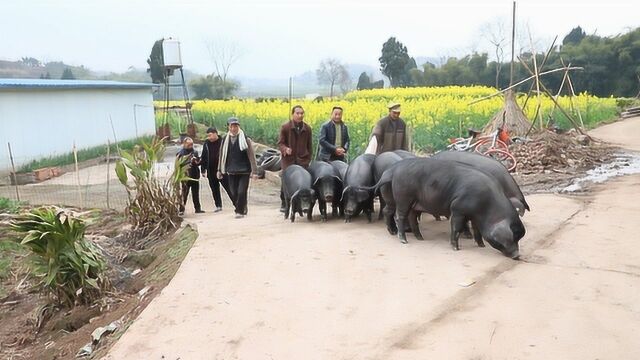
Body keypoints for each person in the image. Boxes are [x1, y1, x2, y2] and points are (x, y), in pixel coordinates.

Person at [217, 117, 258, 219]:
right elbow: (222, 155)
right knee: (233, 192)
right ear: (228, 127)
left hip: (244, 170)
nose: (234, 128)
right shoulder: (225, 139)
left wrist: (255, 171)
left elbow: (251, 155)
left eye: (236, 126)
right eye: (232, 126)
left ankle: (239, 211)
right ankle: (242, 206)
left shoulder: (245, 139)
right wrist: (219, 170)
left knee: (241, 191)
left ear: (238, 126)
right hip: (231, 170)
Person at [277, 105, 313, 211]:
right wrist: (285, 149)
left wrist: (308, 158)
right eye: (297, 113)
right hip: (289, 160)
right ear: (292, 114)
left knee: (303, 182)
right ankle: (284, 202)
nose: (300, 115)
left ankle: (302, 203)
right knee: (286, 181)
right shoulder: (286, 127)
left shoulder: (307, 128)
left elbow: (309, 146)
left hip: (302, 160)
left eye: (302, 113)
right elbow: (280, 143)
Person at [200, 126, 233, 212]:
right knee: (214, 189)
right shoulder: (206, 143)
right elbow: (204, 156)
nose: (209, 137)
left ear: (215, 133)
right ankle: (218, 205)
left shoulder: (223, 141)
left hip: (222, 170)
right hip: (211, 170)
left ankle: (237, 203)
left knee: (229, 187)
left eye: (210, 135)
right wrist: (203, 169)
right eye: (208, 136)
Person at [177, 137, 204, 215]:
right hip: (185, 177)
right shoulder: (180, 153)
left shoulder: (194, 152)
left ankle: (198, 208)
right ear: (184, 144)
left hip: (195, 175)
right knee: (184, 194)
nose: (190, 146)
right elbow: (179, 165)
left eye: (191, 144)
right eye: (189, 144)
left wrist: (198, 161)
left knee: (196, 193)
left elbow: (197, 163)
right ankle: (181, 209)